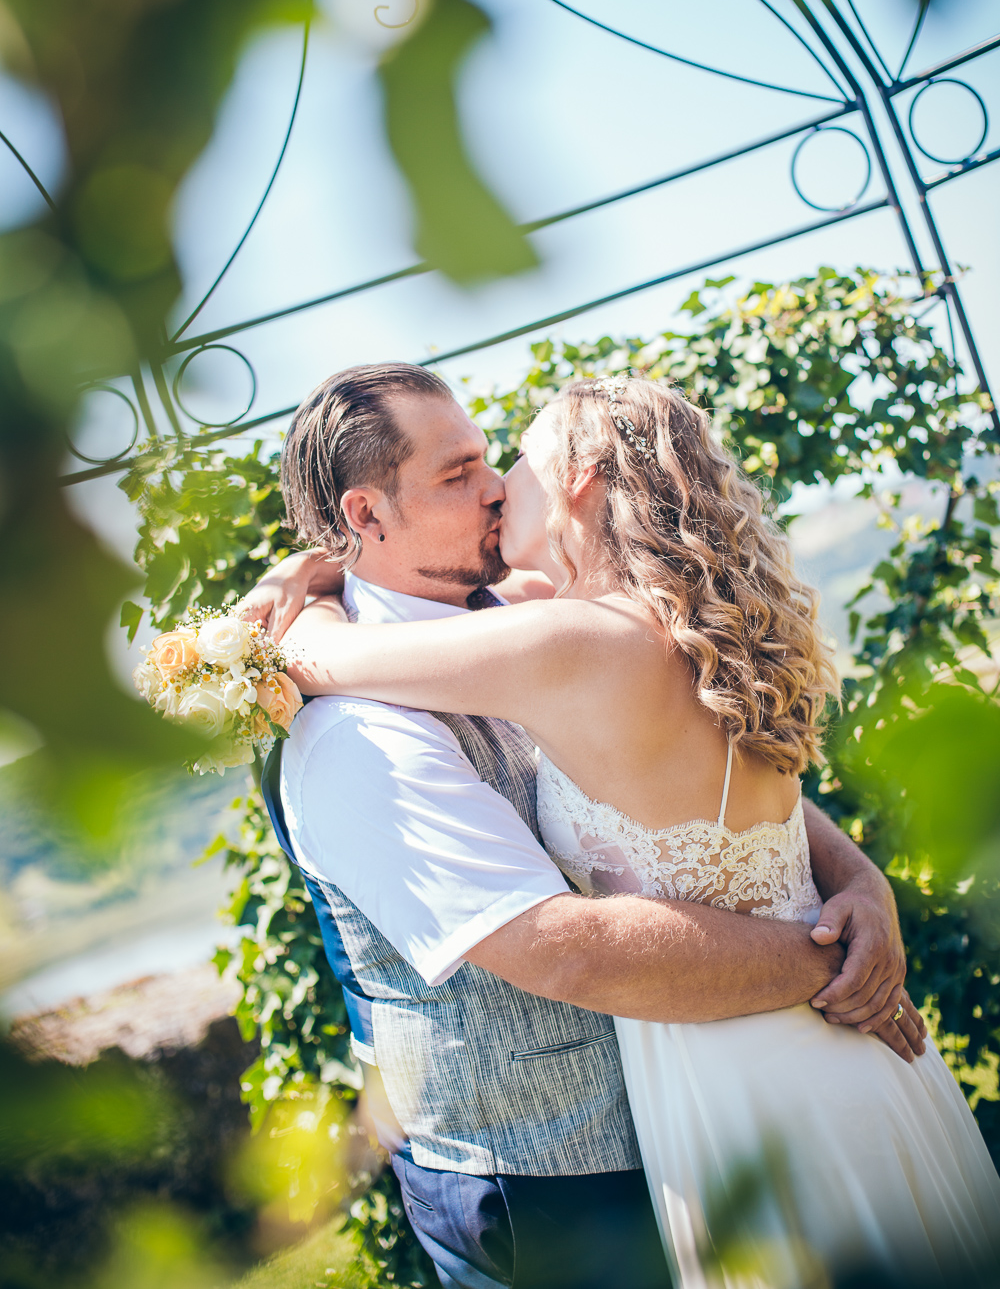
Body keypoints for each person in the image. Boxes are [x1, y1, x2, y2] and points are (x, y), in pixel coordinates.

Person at [240, 363, 940, 1289]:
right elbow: (565, 950)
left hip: (702, 1100)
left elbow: (715, 794)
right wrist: (834, 958)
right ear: (366, 515)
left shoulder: (544, 621)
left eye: (496, 459)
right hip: (540, 1178)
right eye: (458, 475)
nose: (494, 488)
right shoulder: (357, 733)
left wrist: (857, 883)